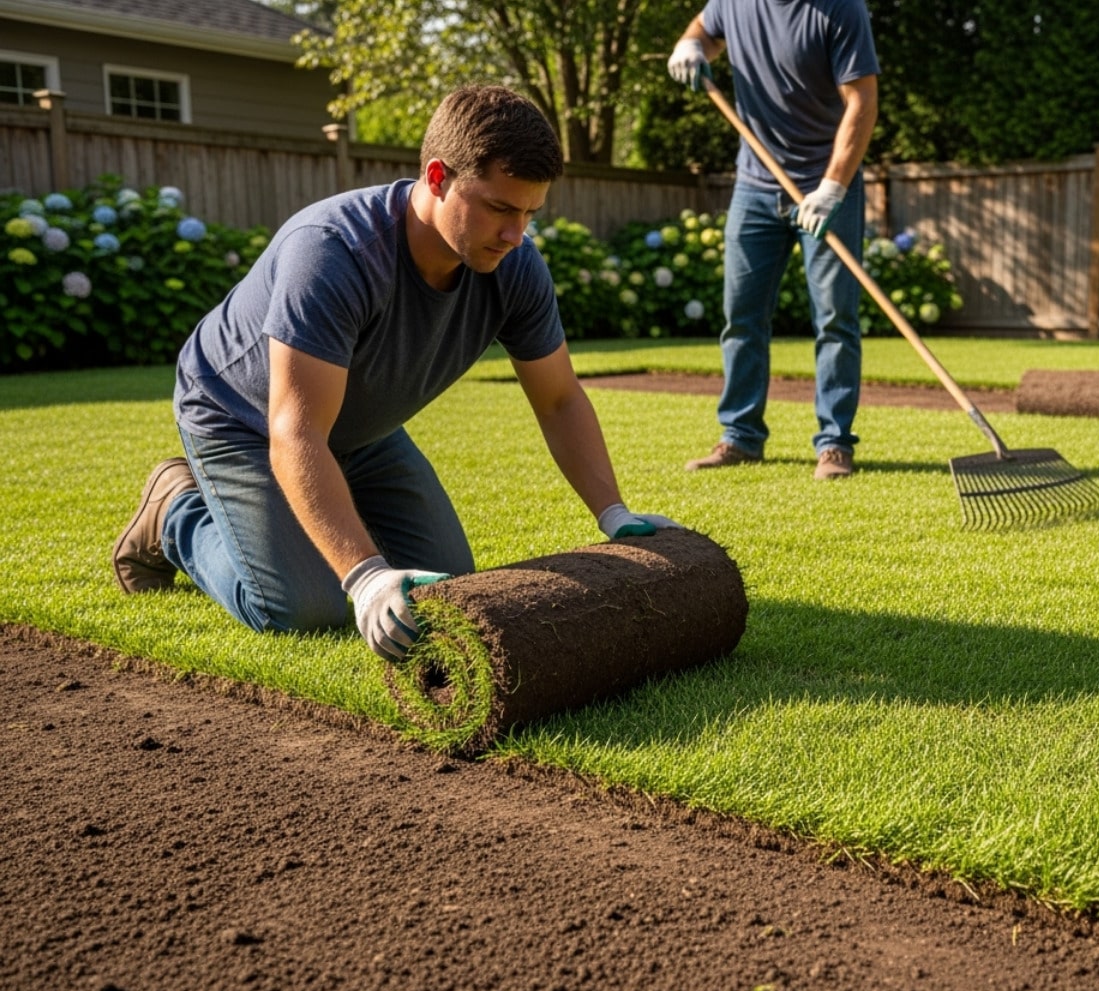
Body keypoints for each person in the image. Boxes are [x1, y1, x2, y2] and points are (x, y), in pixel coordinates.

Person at [111, 84, 678, 661]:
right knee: (303, 608)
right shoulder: (333, 254)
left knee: (449, 589)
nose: (516, 234)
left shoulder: (516, 267)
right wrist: (364, 579)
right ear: (437, 178)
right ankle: (174, 512)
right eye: (501, 208)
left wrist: (614, 513)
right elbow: (296, 433)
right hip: (244, 420)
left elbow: (558, 400)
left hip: (360, 428)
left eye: (530, 212)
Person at [668, 0, 879, 480]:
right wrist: (691, 45)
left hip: (827, 184)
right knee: (741, 316)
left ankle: (834, 444)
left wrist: (832, 188)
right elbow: (704, 27)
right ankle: (740, 436)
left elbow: (862, 100)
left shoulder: (839, 9)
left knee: (835, 318)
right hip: (755, 187)